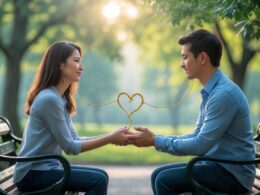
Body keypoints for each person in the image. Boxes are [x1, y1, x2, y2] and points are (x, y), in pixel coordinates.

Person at [127, 29, 255, 194]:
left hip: (233, 175)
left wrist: (155, 141)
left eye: (185, 57)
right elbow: (196, 135)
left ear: (202, 58)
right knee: (158, 175)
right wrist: (156, 139)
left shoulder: (223, 94)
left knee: (164, 180)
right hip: (218, 166)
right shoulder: (212, 91)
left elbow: (200, 145)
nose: (181, 64)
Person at [13, 41, 129, 195]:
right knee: (98, 180)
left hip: (45, 170)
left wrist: (111, 135)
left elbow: (74, 138)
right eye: (76, 60)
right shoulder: (49, 99)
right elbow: (70, 147)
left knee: (101, 176)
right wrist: (109, 138)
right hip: (31, 175)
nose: (81, 67)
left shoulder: (59, 98)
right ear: (60, 65)